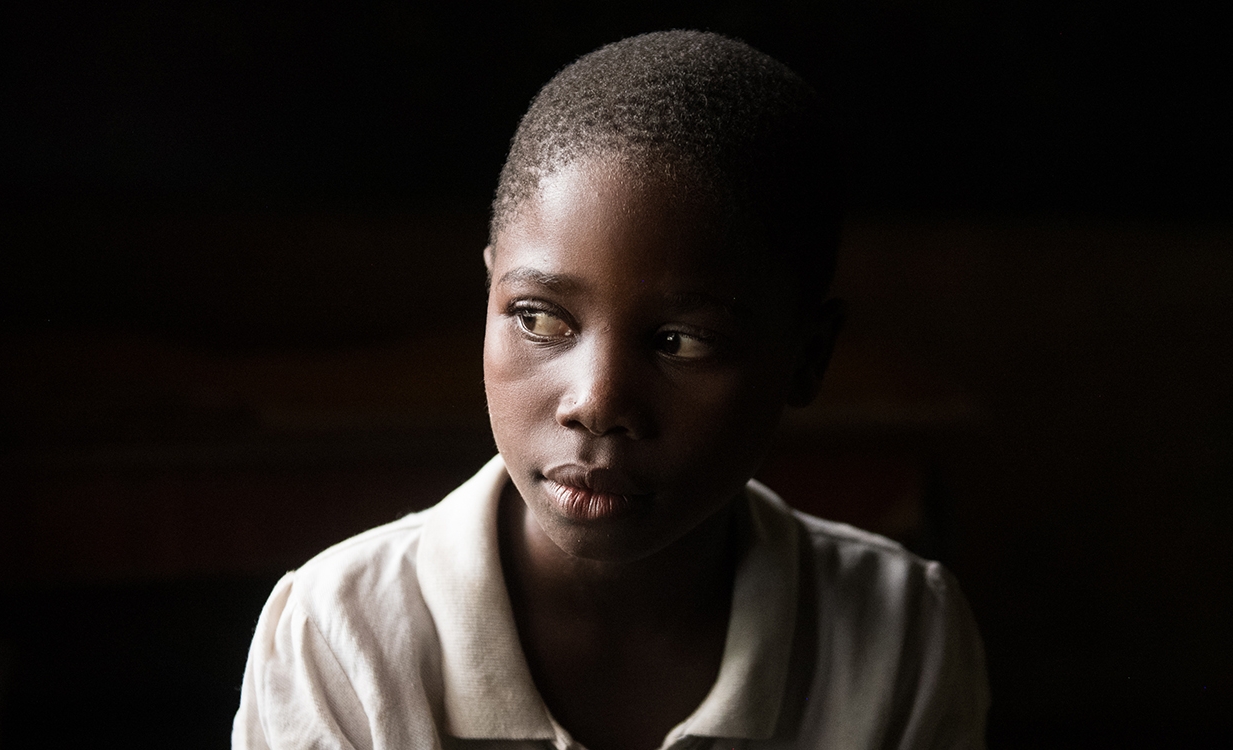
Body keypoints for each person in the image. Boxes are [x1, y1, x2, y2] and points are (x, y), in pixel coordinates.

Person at [233, 30, 988, 750]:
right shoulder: (341, 639)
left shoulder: (900, 637)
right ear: (491, 290)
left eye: (682, 342)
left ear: (807, 357)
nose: (595, 402)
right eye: (538, 318)